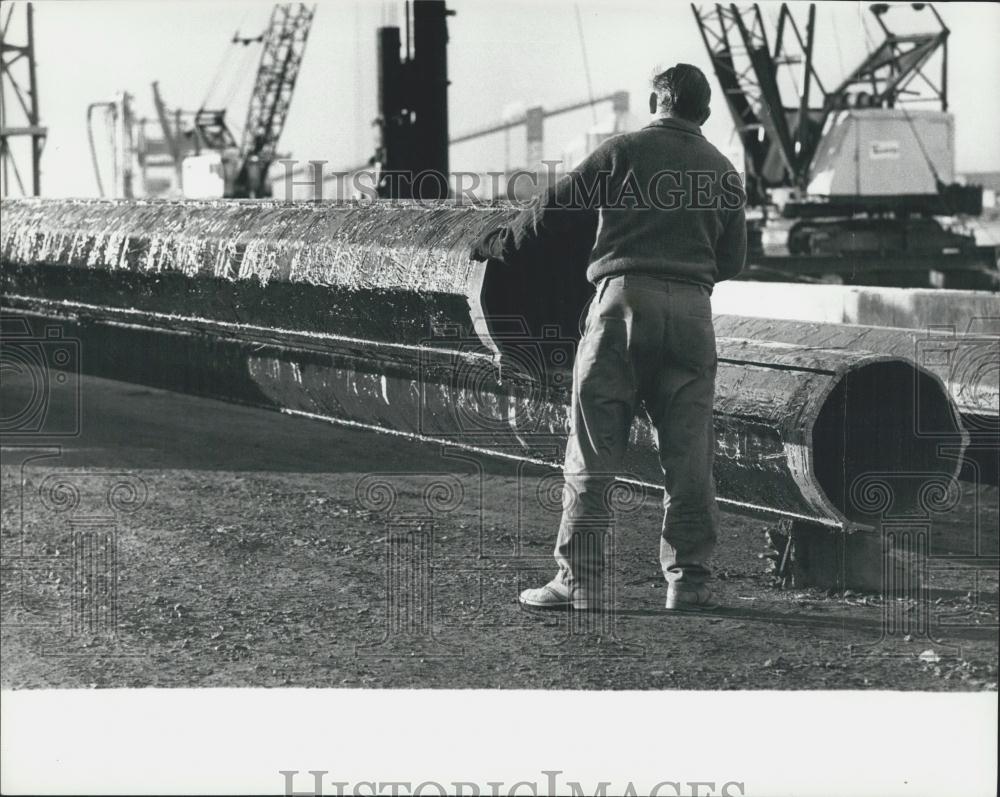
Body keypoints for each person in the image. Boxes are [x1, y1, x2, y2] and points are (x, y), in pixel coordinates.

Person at [470, 64, 747, 612]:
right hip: (694, 313)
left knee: (594, 448)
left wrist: (499, 243)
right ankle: (688, 581)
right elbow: (733, 260)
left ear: (653, 101)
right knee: (689, 455)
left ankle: (582, 581)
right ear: (706, 114)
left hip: (623, 305)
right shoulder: (724, 169)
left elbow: (551, 213)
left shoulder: (621, 151)